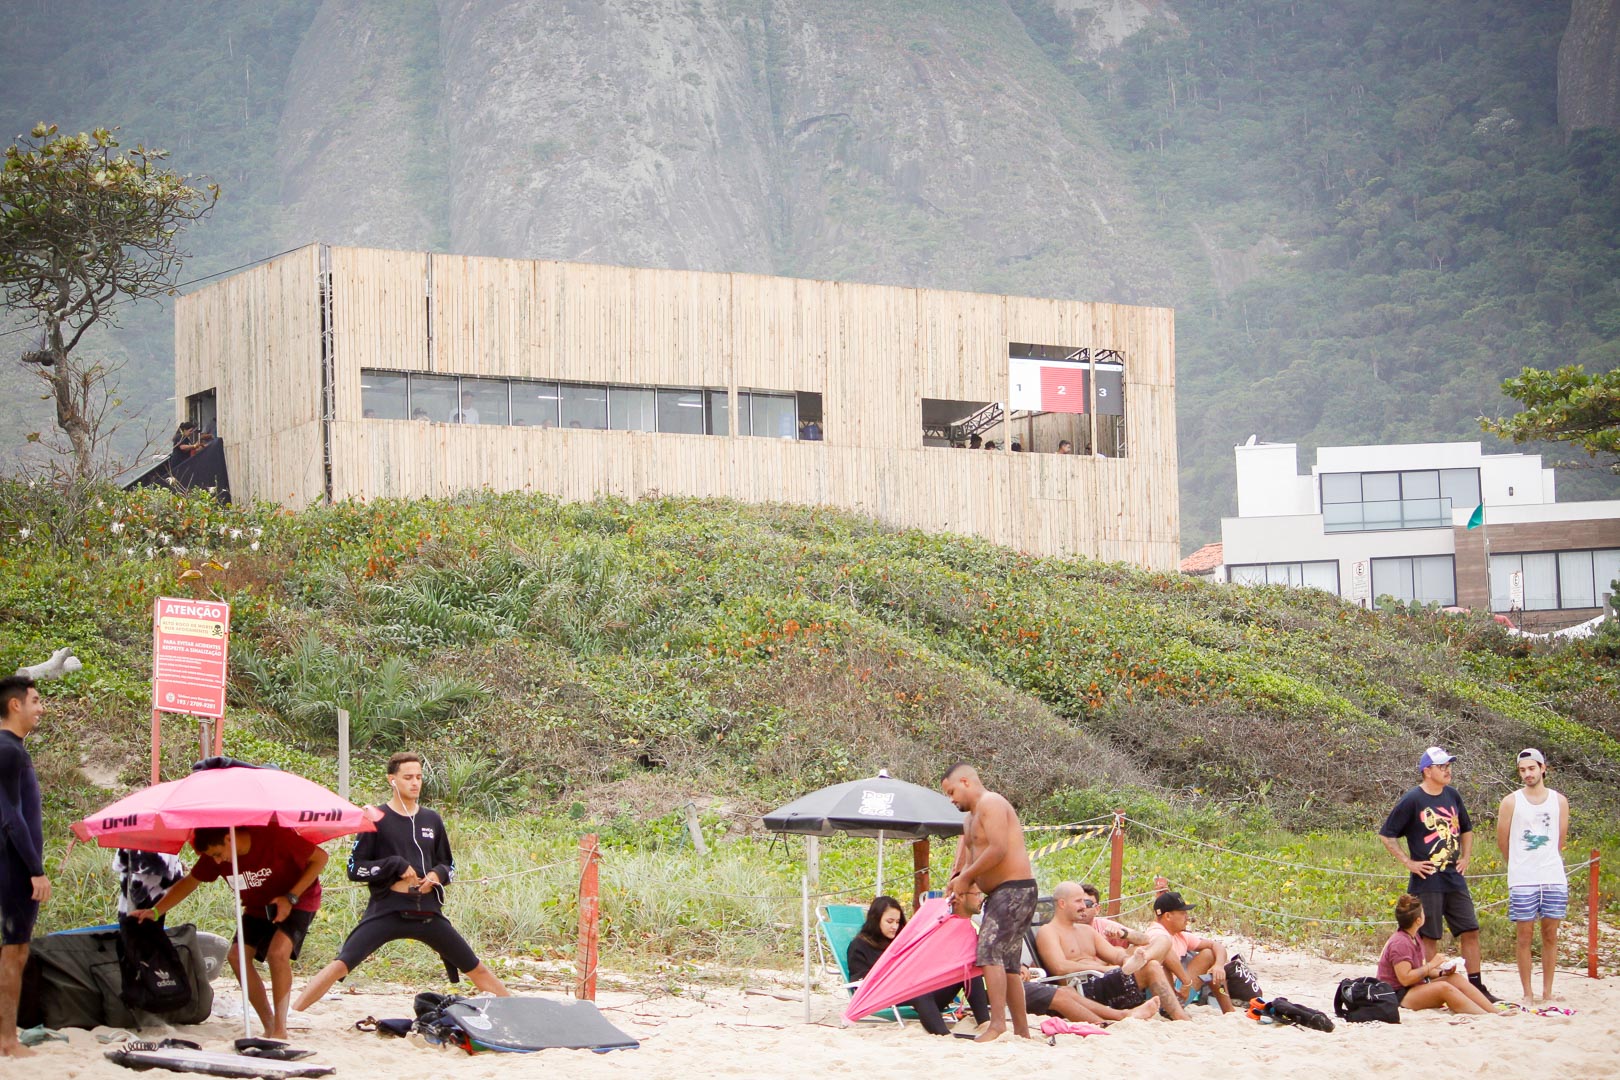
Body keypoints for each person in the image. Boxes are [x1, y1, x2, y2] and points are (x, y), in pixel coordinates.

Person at [294, 753, 508, 1011]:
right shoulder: (375, 818)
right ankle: (293, 1013)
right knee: (341, 963)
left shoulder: (432, 819)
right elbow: (355, 869)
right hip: (388, 909)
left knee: (476, 967)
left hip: (427, 910)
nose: (415, 783)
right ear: (392, 780)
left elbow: (449, 865)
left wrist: (437, 875)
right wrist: (393, 865)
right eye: (408, 777)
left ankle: (519, 1014)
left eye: (418, 777)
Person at [134, 825, 328, 1040]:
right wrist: (156, 910)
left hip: (298, 900)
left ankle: (281, 1030)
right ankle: (269, 1024)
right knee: (236, 956)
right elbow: (190, 882)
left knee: (277, 953)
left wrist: (291, 896)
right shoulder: (215, 857)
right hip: (258, 906)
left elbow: (320, 858)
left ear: (229, 838)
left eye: (217, 854)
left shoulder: (275, 836)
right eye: (212, 857)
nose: (217, 861)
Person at [1378, 746, 1498, 1001]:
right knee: (1429, 933)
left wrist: (1466, 857)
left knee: (1470, 928)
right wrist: (1408, 862)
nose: (1447, 770)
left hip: (1453, 876)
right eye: (1442, 766)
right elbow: (1387, 834)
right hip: (1427, 879)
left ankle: (1476, 984)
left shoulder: (1453, 795)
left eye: (1448, 766)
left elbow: (1466, 828)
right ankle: (1432, 982)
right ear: (1427, 771)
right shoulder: (1413, 799)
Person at [943, 763, 1035, 1041]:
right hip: (1000, 893)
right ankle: (1021, 1030)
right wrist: (960, 880)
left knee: (989, 950)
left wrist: (968, 875)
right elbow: (972, 859)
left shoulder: (992, 802)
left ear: (965, 781)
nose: (951, 799)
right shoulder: (969, 818)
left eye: (951, 792)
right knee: (1007, 963)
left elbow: (998, 848)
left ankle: (997, 1024)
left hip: (1015, 889)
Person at [1034, 881, 1186, 1020]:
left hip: (1102, 981)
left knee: (1157, 950)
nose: (1084, 906)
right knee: (1151, 967)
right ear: (1062, 903)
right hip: (1083, 989)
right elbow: (1060, 967)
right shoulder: (1049, 931)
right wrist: (1101, 969)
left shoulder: (1086, 931)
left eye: (1085, 901)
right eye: (1078, 901)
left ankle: (1178, 1015)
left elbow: (1115, 954)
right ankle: (1181, 1018)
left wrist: (1126, 960)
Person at [845, 895, 988, 1035]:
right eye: (889, 921)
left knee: (965, 971)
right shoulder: (859, 945)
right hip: (887, 997)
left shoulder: (901, 943)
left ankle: (984, 1022)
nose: (894, 926)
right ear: (876, 920)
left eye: (897, 922)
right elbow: (860, 982)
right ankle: (944, 1034)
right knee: (918, 991)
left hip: (922, 996)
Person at [1495, 748, 1569, 1004]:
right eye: (1522, 770)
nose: (1527, 774)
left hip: (1552, 875)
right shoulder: (1511, 801)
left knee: (1550, 933)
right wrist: (1517, 864)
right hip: (1523, 877)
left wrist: (1546, 860)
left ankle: (1548, 990)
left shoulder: (1559, 801)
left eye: (1531, 768)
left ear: (1542, 768)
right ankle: (1527, 992)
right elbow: (1502, 840)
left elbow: (1560, 840)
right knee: (1524, 935)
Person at [0, 676, 48, 1058]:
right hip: (14, 866)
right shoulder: (7, 750)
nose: (40, 707)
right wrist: (35, 868)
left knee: (16, 951)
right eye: (35, 700)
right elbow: (10, 816)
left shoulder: (11, 748)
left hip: (14, 863)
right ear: (15, 705)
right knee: (13, 952)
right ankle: (7, 1040)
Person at [1377, 894, 1495, 1015]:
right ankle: (1482, 1014)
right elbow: (1405, 979)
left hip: (1413, 987)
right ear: (1418, 920)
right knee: (1444, 988)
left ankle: (1493, 1011)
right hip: (1398, 994)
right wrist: (1432, 964)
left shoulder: (1414, 937)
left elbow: (1419, 971)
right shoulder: (1400, 943)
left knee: (1454, 978)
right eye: (1422, 912)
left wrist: (1441, 972)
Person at [1146, 892, 1233, 1013]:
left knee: (1210, 955)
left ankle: (1229, 1011)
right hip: (1157, 995)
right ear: (1168, 916)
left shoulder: (1180, 936)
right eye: (1182, 913)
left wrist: (1218, 965)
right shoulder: (1156, 933)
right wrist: (1186, 982)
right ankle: (1170, 1008)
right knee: (1164, 960)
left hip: (1178, 992)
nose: (1187, 917)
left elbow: (1216, 945)